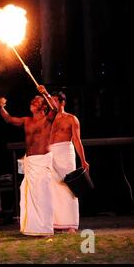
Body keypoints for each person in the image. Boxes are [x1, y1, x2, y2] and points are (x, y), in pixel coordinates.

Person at [0, 86, 57, 236]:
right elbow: (8, 119)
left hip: (42, 161)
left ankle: (45, 228)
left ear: (43, 106)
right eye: (32, 100)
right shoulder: (26, 121)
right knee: (28, 195)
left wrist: (45, 93)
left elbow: (55, 109)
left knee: (43, 195)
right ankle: (32, 228)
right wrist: (0, 107)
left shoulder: (47, 119)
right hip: (30, 162)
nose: (32, 102)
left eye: (36, 101)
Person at [49, 91, 89, 234]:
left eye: (54, 101)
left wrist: (83, 160)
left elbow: (77, 141)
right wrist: (43, 92)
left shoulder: (71, 119)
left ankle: (71, 224)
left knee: (68, 188)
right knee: (52, 189)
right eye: (50, 100)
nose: (52, 103)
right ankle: (56, 223)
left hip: (65, 152)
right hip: (51, 153)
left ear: (62, 102)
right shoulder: (49, 119)